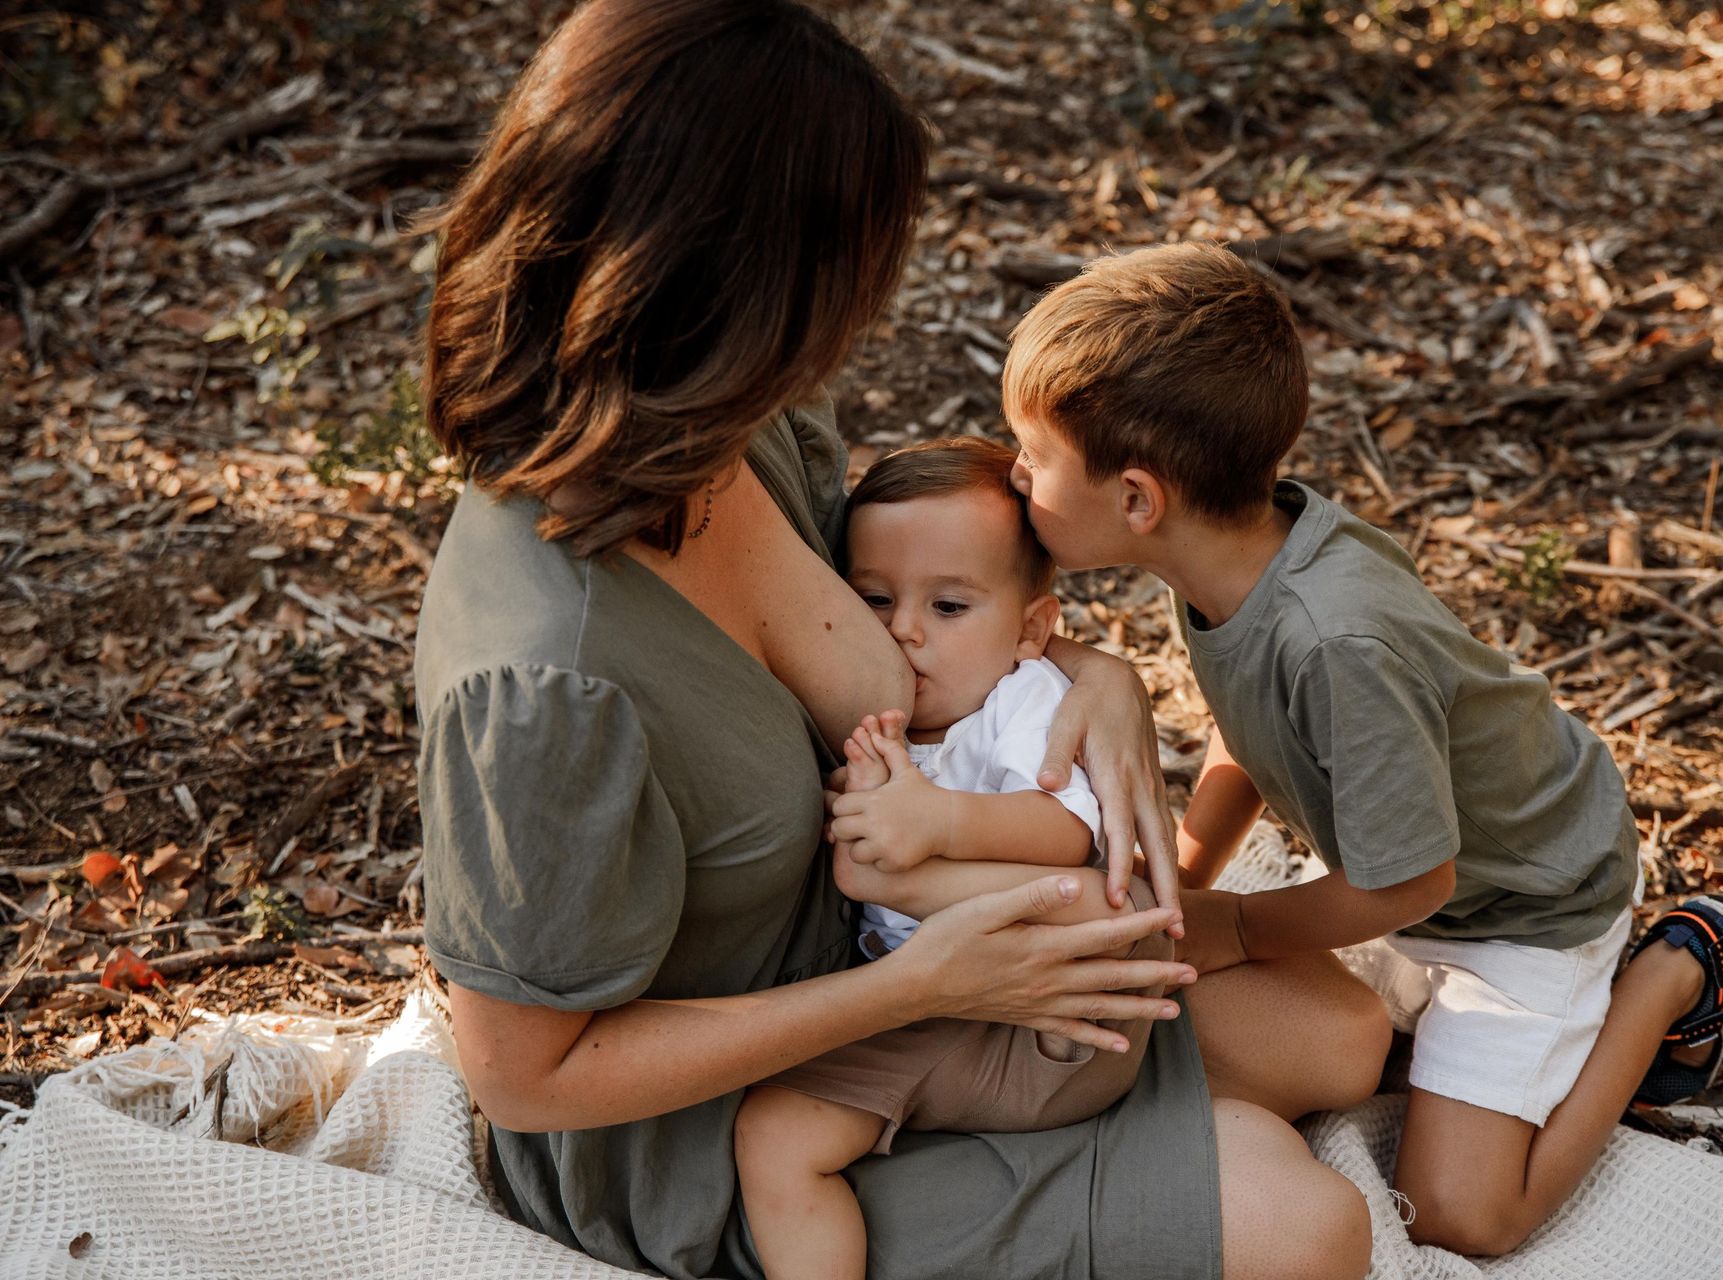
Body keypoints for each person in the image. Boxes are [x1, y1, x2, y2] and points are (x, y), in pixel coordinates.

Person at [413, 5, 1386, 1280]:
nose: (858, 321)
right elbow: (526, 1076)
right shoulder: (549, 678)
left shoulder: (721, 433)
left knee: (1343, 1033)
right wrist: (917, 988)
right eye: (844, 276)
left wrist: (1092, 681)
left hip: (911, 954)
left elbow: (929, 616)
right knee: (1312, 1229)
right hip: (741, 1116)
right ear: (731, 281)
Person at [1000, 241, 1723, 1258]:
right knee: (1331, 1037)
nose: (1014, 475)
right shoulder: (1231, 558)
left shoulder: (1335, 642)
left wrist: (1237, 926)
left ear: (1139, 499)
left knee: (1464, 1212)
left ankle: (1677, 964)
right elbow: (1250, 728)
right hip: (1425, 870)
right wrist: (1188, 873)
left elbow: (1410, 881)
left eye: (1031, 455)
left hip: (1526, 903)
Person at [736, 438, 1173, 1280]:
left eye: (948, 607)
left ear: (1032, 629)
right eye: (873, 599)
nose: (903, 629)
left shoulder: (1022, 699)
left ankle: (891, 881)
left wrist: (936, 827)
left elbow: (1068, 831)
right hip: (939, 1016)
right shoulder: (871, 711)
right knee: (773, 1135)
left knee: (1109, 903)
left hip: (1067, 1018)